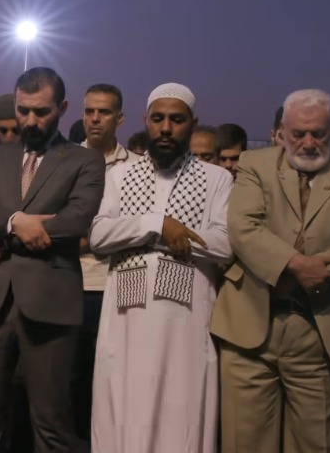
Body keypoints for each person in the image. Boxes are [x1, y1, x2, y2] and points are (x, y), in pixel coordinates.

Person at [89, 83, 233, 453]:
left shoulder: (217, 178)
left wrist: (163, 234)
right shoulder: (120, 175)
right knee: (125, 406)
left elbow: (224, 244)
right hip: (126, 317)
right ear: (145, 121)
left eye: (176, 120)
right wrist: (157, 225)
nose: (166, 128)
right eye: (158, 119)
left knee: (181, 410)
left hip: (187, 320)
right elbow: (100, 236)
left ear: (192, 124)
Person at [0, 67, 104, 453]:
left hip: (51, 305)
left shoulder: (84, 160)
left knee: (51, 426)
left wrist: (4, 242)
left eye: (41, 111)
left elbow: (75, 221)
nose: (30, 120)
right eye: (23, 110)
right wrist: (17, 221)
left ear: (62, 108)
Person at [212, 89, 330, 453]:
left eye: (318, 133)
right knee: (244, 443)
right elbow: (243, 227)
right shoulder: (254, 164)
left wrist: (317, 268)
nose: (308, 143)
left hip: (318, 333)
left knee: (318, 443)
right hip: (248, 328)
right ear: (282, 130)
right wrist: (298, 265)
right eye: (298, 133)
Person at [75, 83, 129, 439]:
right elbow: (57, 228)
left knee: (114, 382)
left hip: (116, 286)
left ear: (119, 118)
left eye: (104, 112)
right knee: (74, 381)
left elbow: (133, 231)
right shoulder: (64, 160)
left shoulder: (138, 166)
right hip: (72, 283)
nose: (95, 118)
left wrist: (87, 238)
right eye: (90, 111)